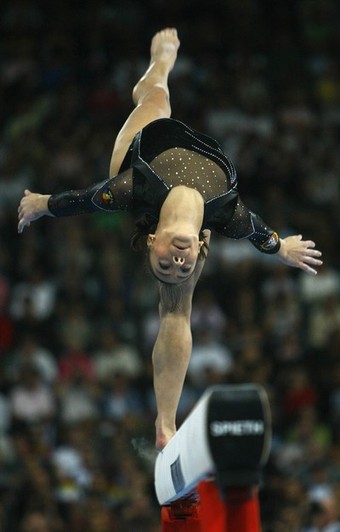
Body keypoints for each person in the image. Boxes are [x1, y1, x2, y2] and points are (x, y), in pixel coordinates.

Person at [17, 28, 323, 449]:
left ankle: (157, 65)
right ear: (200, 247)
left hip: (146, 151)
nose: (178, 262)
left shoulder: (129, 190)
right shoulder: (228, 216)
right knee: (178, 307)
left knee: (155, 95)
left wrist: (41, 204)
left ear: (152, 241)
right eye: (184, 264)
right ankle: (167, 423)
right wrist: (283, 248)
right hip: (202, 168)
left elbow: (79, 200)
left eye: (166, 263)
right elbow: (266, 237)